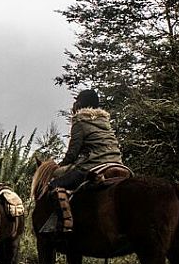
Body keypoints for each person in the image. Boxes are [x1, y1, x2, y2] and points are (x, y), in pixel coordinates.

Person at [43, 89, 123, 232]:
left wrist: (60, 166)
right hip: (117, 162)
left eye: (77, 101)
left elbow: (72, 154)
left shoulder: (80, 121)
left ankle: (65, 224)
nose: (74, 104)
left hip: (94, 165)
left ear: (80, 104)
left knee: (54, 184)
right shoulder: (105, 121)